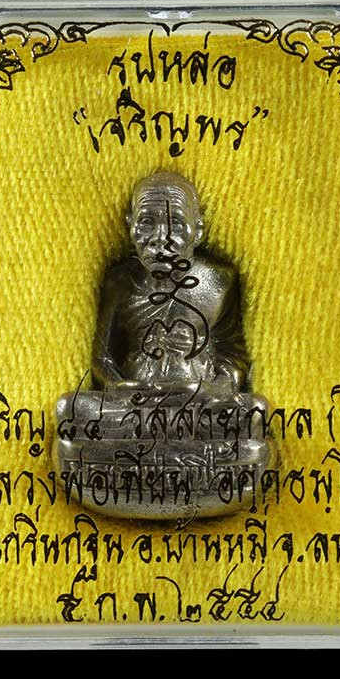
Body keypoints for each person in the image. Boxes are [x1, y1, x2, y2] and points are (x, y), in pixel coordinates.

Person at [53, 171, 271, 519]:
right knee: (72, 408)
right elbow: (103, 359)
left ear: (198, 230)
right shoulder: (120, 281)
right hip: (135, 405)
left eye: (176, 225)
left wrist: (216, 383)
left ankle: (133, 470)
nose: (161, 238)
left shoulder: (219, 281)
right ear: (130, 227)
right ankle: (192, 469)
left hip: (196, 402)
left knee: (253, 411)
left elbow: (233, 354)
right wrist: (122, 389)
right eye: (147, 223)